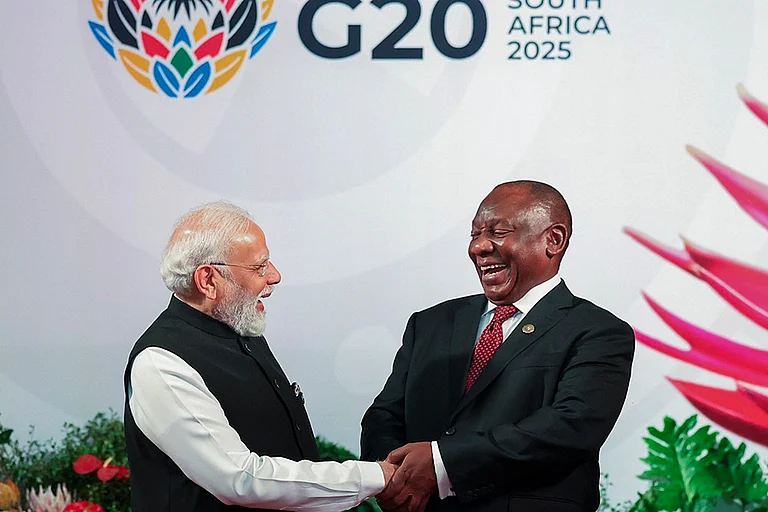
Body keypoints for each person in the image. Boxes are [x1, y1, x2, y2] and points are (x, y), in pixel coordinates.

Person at [361, 181, 635, 512]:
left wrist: (441, 463)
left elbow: (569, 429)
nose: (478, 248)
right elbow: (384, 414)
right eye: (474, 235)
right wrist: (394, 475)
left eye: (498, 232)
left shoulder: (598, 332)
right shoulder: (430, 323)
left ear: (554, 240)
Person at [124, 201, 396, 511]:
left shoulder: (241, 330)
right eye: (259, 266)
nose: (275, 276)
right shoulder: (161, 362)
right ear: (208, 280)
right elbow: (240, 479)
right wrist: (377, 476)